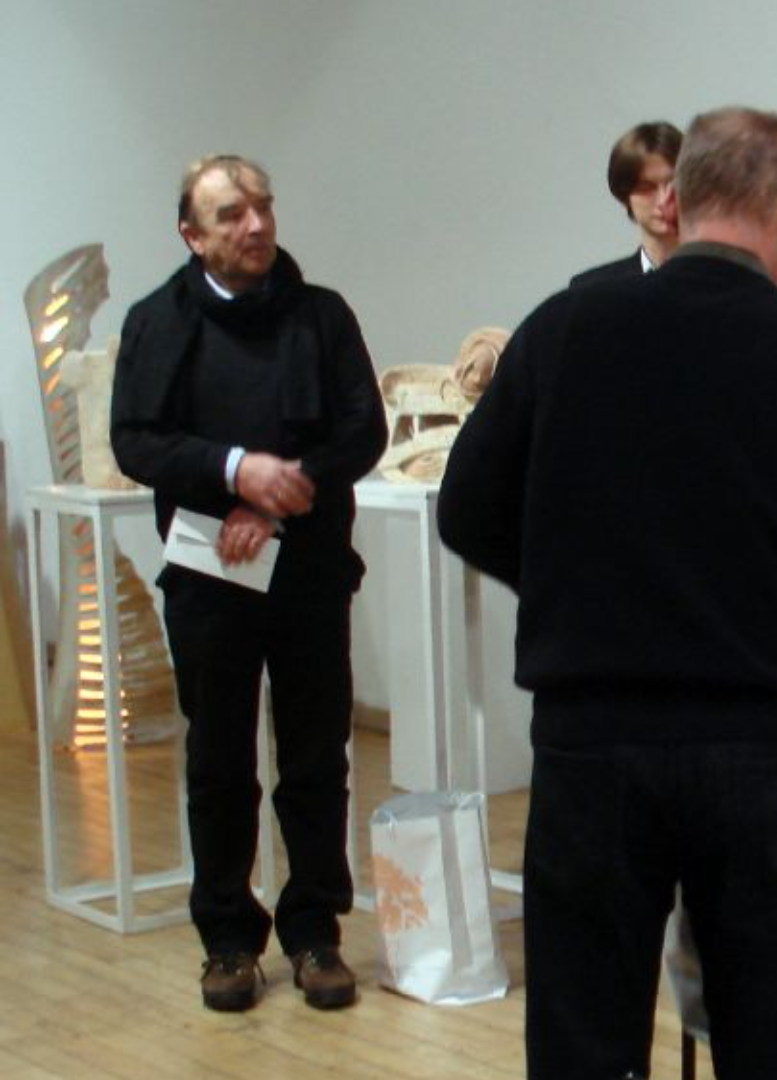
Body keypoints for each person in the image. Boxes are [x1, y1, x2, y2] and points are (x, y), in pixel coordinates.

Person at [438, 107, 777, 1080]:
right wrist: (771, 638)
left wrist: (573, 595)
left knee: (583, 1044)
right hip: (763, 749)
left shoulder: (563, 330)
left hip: (592, 740)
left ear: (677, 198)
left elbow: (467, 510)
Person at [110, 154, 386, 1012]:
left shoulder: (322, 315)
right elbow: (136, 440)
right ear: (192, 235)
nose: (257, 224)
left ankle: (315, 930)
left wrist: (276, 498)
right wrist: (236, 471)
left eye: (262, 206)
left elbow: (362, 432)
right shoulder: (157, 321)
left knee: (316, 759)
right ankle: (227, 939)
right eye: (231, 214)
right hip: (208, 574)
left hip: (307, 569)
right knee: (219, 762)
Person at [571, 120, 683, 287]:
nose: (663, 199)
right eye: (646, 188)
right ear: (625, 196)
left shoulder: (723, 284)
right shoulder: (591, 290)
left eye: (674, 184)